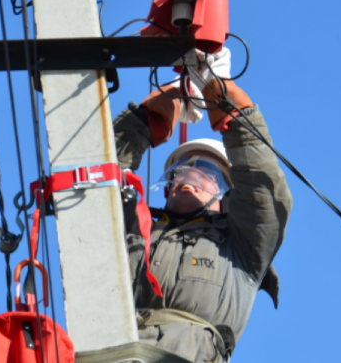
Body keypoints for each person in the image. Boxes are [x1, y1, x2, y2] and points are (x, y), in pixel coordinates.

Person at [113, 48, 293, 363]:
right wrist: (154, 114)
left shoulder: (244, 247)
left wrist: (218, 91)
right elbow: (95, 180)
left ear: (227, 195)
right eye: (180, 168)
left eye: (206, 171)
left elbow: (262, 184)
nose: (188, 174)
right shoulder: (134, 232)